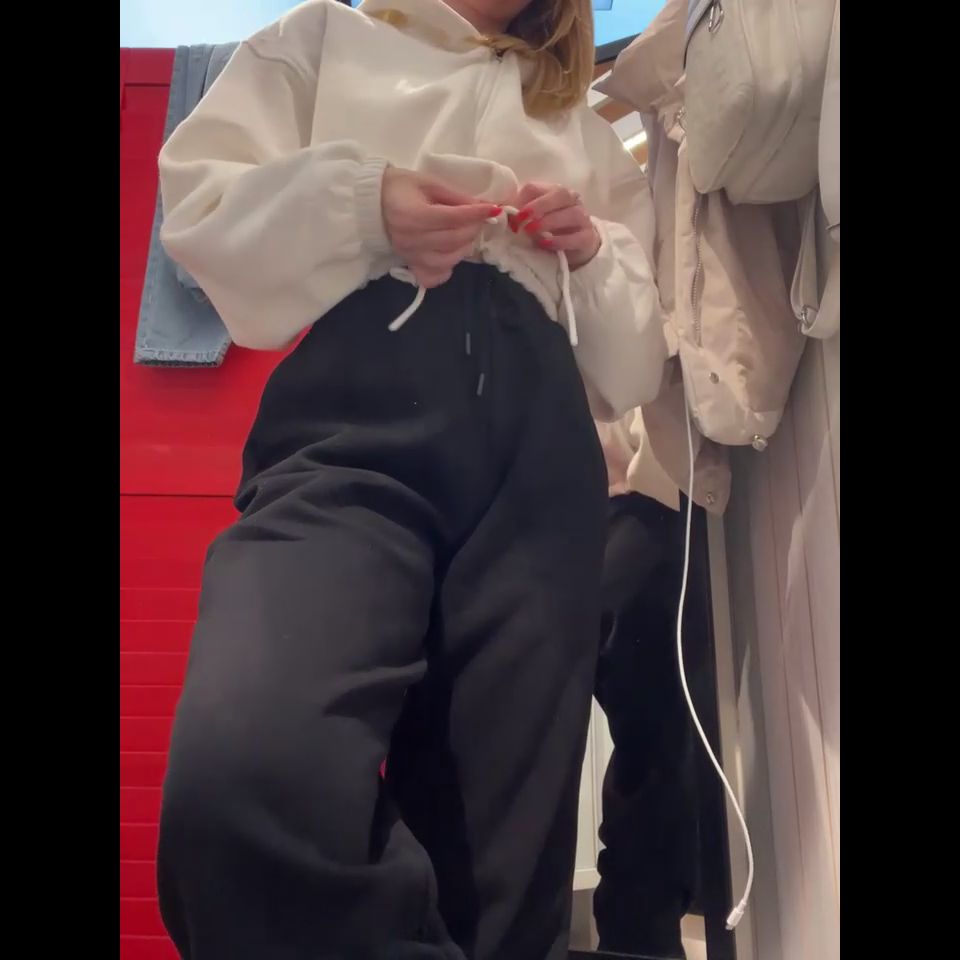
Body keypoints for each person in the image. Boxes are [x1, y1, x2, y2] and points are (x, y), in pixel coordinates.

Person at [153, 1, 666, 958]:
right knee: (246, 776)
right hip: (356, 411)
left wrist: (591, 254)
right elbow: (200, 207)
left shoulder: (582, 128)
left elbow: (636, 372)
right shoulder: (321, 40)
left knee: (505, 878)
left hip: (544, 455)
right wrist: (364, 204)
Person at [592, 406, 729, 960]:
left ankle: (633, 935)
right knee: (653, 752)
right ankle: (637, 938)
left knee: (535, 753)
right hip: (638, 500)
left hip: (568, 510)